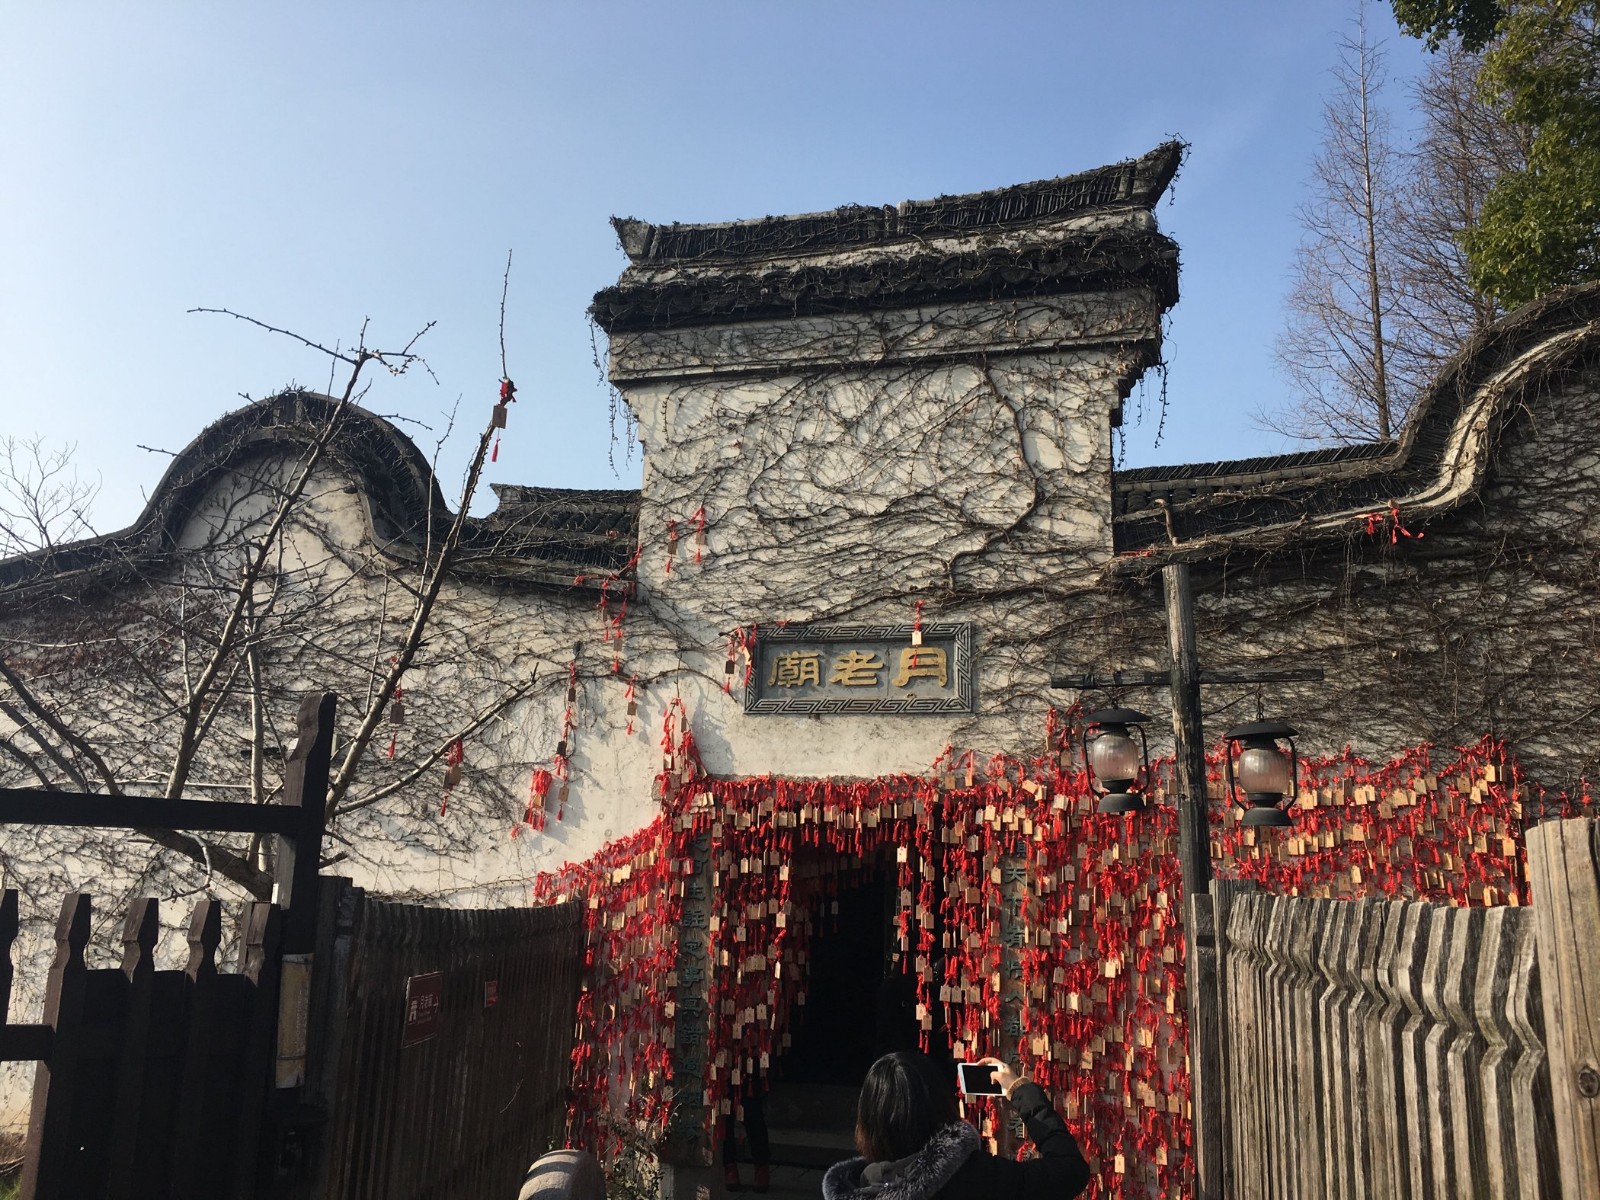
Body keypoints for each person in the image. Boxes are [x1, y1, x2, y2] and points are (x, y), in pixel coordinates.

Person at [822, 1051, 1090, 1200]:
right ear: (940, 1103)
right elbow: (1069, 1171)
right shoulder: (976, 1178)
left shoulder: (859, 1186)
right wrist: (1022, 1092)